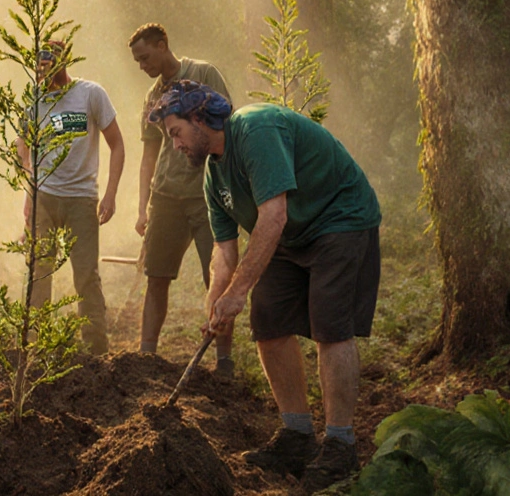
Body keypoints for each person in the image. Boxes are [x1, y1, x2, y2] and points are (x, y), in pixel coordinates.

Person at [150, 81, 382, 492]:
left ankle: (341, 445)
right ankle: (296, 436)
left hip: (339, 218)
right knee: (268, 323)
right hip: (291, 237)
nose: (175, 146)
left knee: (329, 327)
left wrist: (239, 291)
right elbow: (223, 252)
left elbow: (273, 215)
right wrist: (216, 303)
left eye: (175, 133)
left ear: (200, 118)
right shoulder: (213, 178)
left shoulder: (255, 130)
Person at [127, 23, 233, 367]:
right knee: (156, 276)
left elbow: (228, 126)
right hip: (166, 196)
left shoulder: (204, 73)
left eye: (145, 57)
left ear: (163, 45)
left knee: (216, 276)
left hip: (207, 194)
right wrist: (143, 207)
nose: (143, 66)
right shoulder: (152, 97)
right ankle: (147, 355)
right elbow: (148, 155)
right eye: (138, 62)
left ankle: (223, 360)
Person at [19, 42, 125, 355]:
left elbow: (117, 144)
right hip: (44, 197)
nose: (44, 72)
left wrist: (110, 193)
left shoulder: (90, 94)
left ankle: (95, 349)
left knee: (86, 274)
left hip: (81, 197)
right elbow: (23, 145)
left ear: (64, 62)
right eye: (39, 65)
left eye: (50, 63)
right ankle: (36, 349)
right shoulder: (34, 99)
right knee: (40, 270)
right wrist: (29, 183)